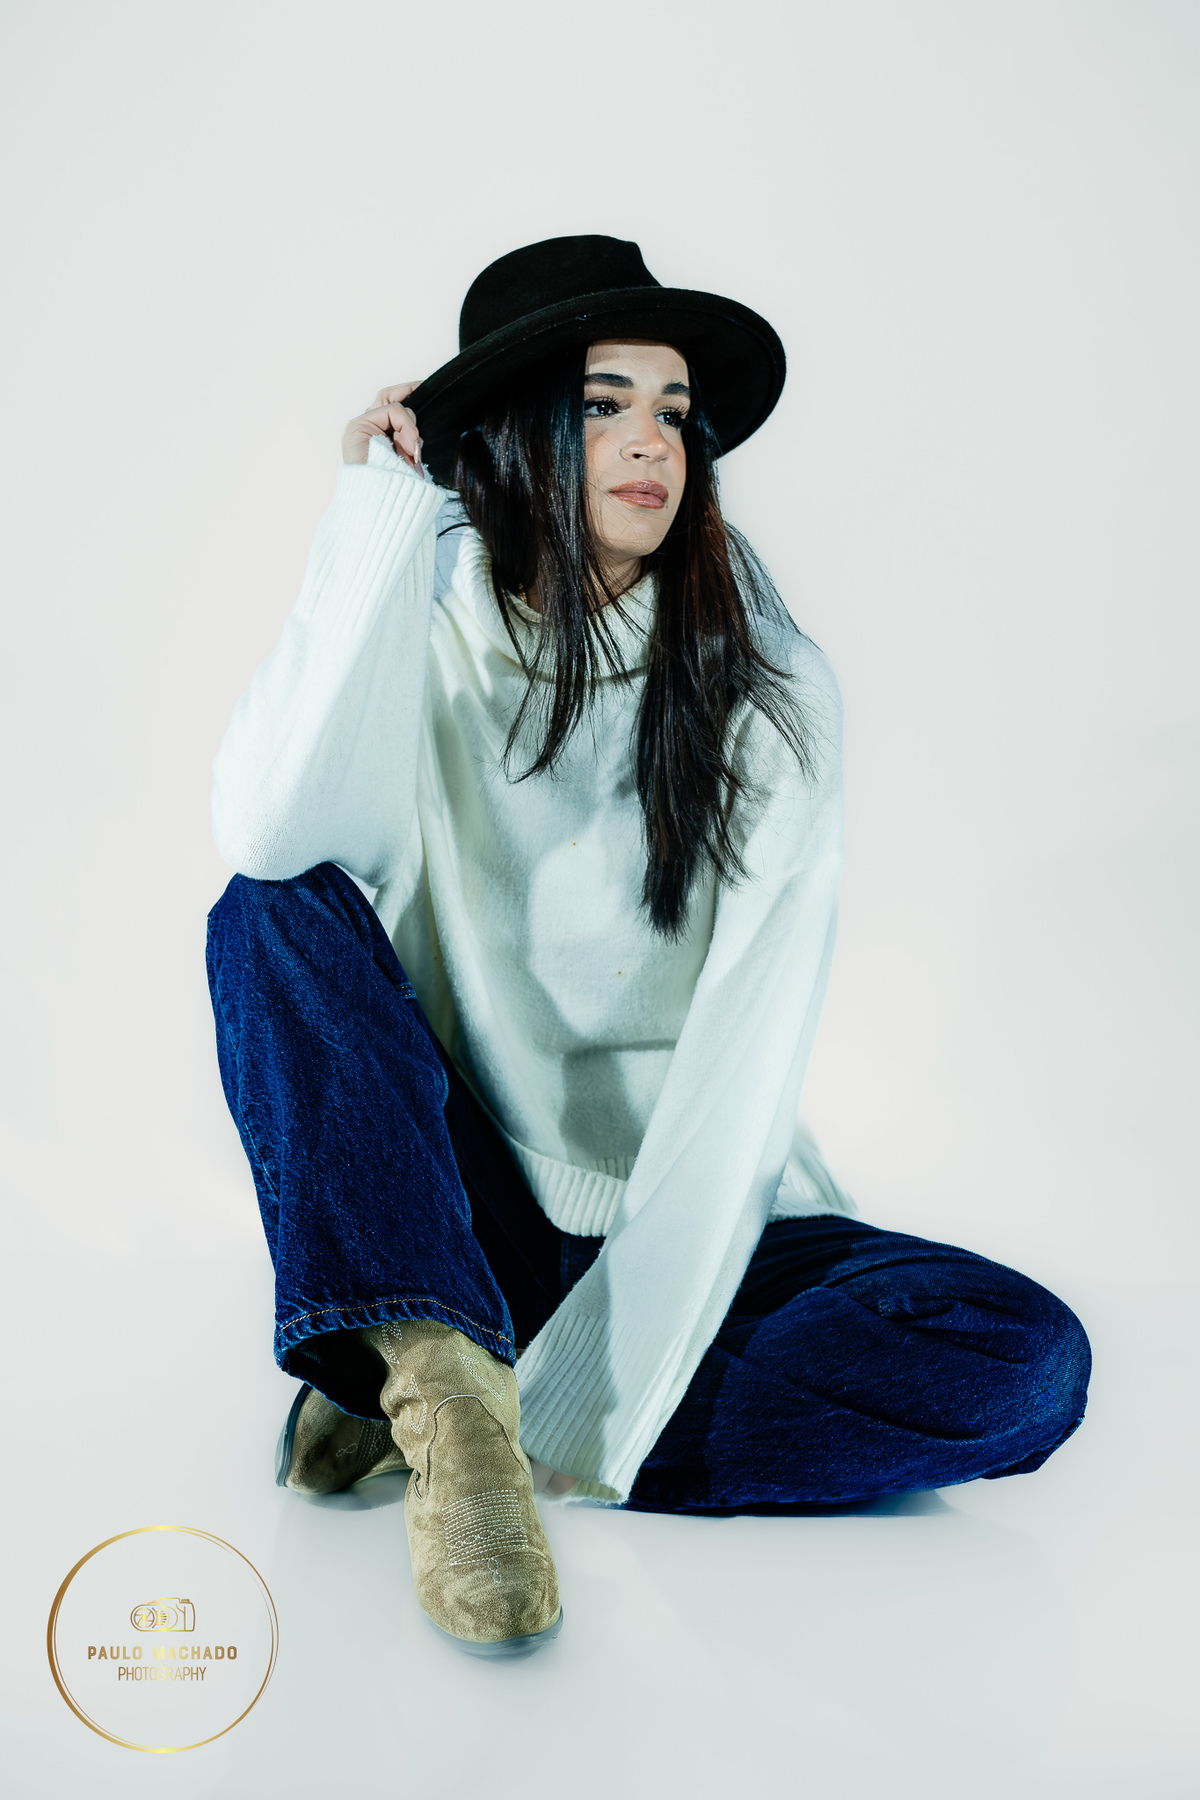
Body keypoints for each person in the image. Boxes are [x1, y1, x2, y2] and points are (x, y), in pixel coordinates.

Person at [206, 234, 1091, 1659]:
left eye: (673, 413)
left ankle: (460, 1390)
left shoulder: (771, 689)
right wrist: (373, 516)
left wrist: (589, 1410)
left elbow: (744, 1076)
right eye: (603, 405)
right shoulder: (421, 616)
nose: (651, 445)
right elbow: (272, 830)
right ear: (511, 436)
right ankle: (443, 1387)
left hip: (695, 1215)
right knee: (269, 916)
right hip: (464, 1202)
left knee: (1025, 1365)